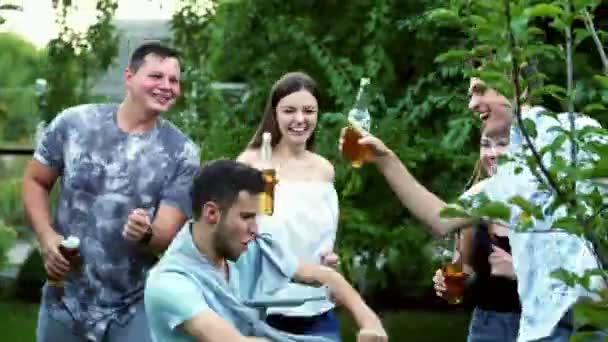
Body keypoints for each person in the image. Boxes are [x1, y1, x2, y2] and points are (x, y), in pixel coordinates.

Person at [338, 73, 607, 341]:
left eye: (480, 90)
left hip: (585, 323)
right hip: (536, 331)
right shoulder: (509, 177)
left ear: (515, 83)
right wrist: (386, 161)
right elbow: (441, 219)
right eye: (470, 94)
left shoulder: (577, 135)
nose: (472, 104)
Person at [22, 42, 201, 342]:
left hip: (134, 307)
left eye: (174, 80)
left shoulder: (182, 153)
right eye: (156, 76)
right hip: (64, 299)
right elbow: (35, 181)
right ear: (128, 77)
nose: (166, 86)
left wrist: (145, 233)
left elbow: (166, 233)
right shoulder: (75, 124)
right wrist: (46, 236)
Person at [144, 159, 387, 342]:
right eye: (247, 217)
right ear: (211, 213)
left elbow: (325, 276)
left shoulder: (245, 249)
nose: (254, 229)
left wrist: (370, 322)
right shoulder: (169, 283)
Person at [237, 72, 342, 340]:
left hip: (317, 310)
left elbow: (320, 241)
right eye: (289, 110)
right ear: (275, 114)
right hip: (262, 311)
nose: (300, 119)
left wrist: (332, 264)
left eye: (309, 111)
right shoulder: (253, 163)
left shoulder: (324, 170)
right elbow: (232, 236)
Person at [433, 120, 521, 342]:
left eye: (502, 144)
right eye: (485, 144)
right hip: (487, 325)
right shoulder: (475, 203)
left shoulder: (545, 203)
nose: (492, 153)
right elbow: (465, 266)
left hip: (539, 324)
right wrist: (452, 282)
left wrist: (519, 270)